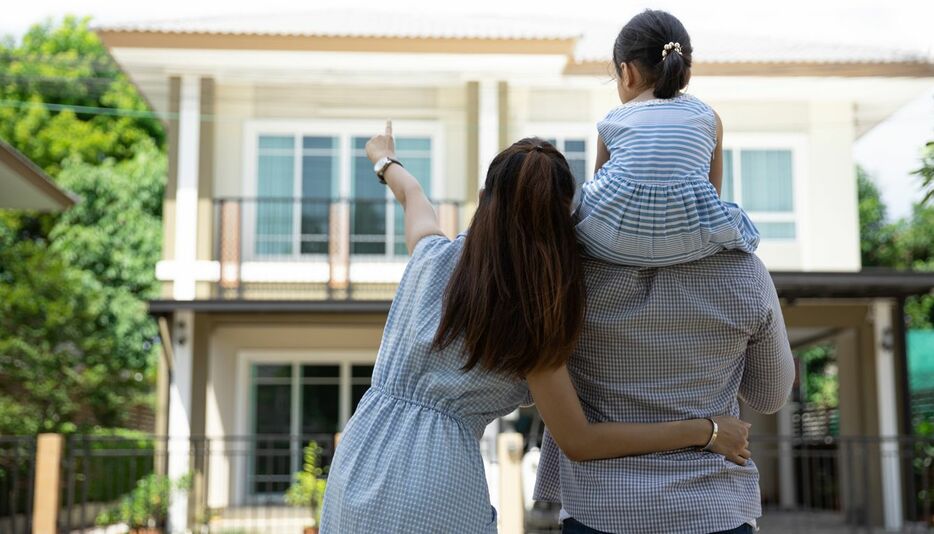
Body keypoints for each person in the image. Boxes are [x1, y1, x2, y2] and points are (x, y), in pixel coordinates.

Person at [319, 122, 752, 533]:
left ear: (483, 199)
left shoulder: (430, 259)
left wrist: (384, 159)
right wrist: (706, 431)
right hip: (438, 479)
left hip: (359, 461)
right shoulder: (531, 314)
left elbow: (413, 198)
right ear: (561, 222)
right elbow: (579, 439)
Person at [533, 10, 796, 534]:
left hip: (601, 514)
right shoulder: (745, 275)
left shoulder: (569, 275)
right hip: (713, 512)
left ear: (627, 75)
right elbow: (770, 395)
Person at [574, 10, 759, 268]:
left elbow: (598, 194)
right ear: (686, 70)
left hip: (612, 244)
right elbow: (712, 195)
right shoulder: (709, 118)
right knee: (737, 217)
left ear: (627, 73)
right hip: (691, 242)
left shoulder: (613, 121)